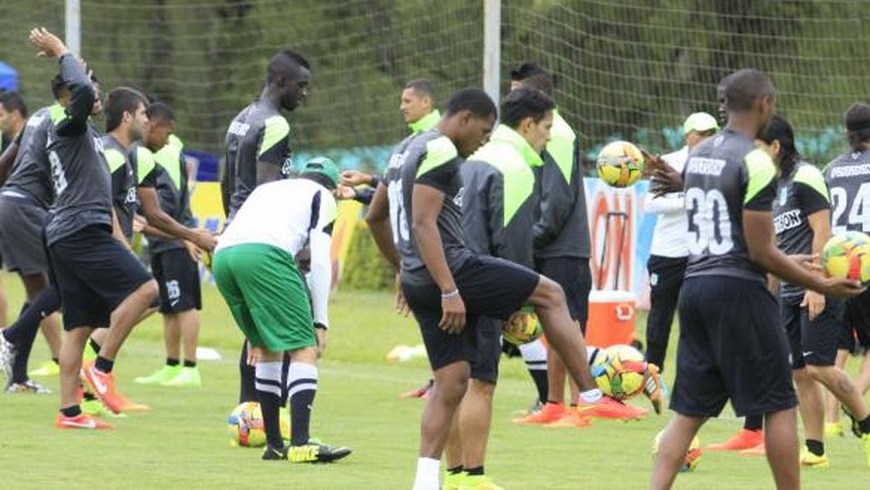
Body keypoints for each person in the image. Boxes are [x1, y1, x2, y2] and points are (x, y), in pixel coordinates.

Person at [367, 87, 641, 490]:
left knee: (451, 382)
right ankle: (589, 395)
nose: (484, 137)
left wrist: (405, 269)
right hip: (452, 271)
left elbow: (375, 216)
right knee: (551, 294)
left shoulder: (405, 148)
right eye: (483, 128)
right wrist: (446, 287)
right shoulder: (443, 149)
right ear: (463, 118)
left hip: (419, 277)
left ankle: (426, 483)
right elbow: (425, 223)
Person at [648, 69, 863, 490]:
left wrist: (793, 259)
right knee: (780, 404)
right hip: (740, 292)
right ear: (764, 104)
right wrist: (823, 285)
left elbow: (735, 229)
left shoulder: (701, 152)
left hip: (695, 287)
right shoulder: (756, 161)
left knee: (689, 412)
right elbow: (760, 252)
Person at [24, 27, 158, 429]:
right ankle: (101, 369)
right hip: (79, 229)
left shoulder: (83, 132)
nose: (96, 94)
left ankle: (70, 413)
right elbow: (80, 92)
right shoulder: (65, 120)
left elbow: (81, 90)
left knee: (78, 326)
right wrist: (63, 51)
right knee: (148, 289)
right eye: (89, 86)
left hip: (70, 231)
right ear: (68, 95)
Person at [441, 87, 554, 490]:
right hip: (481, 282)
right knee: (481, 383)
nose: (549, 136)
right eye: (546, 127)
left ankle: (454, 477)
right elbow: (512, 247)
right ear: (527, 125)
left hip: (445, 280)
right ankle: (474, 477)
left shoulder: (473, 159)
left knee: (451, 383)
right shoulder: (516, 168)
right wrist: (517, 303)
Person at [213, 157, 351, 463]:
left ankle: (274, 445)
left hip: (223, 257)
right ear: (332, 187)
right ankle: (301, 443)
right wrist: (320, 320)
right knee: (303, 347)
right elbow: (319, 260)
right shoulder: (324, 197)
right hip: (264, 255)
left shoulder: (271, 189)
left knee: (266, 348)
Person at [507, 63, 600, 425]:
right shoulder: (533, 133)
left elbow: (557, 198)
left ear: (538, 97)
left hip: (563, 245)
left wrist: (531, 238)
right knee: (552, 321)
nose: (512, 100)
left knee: (569, 322)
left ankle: (580, 405)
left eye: (518, 93)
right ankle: (554, 404)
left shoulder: (558, 134)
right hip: (545, 242)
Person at [222, 49, 310, 404]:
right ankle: (280, 416)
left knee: (257, 329)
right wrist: (291, 242)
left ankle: (249, 411)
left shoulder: (242, 118)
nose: (305, 94)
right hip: (264, 237)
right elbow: (267, 188)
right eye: (301, 86)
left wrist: (231, 223)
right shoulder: (275, 124)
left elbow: (226, 182)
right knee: (292, 324)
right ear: (280, 81)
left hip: (235, 232)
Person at [133, 102, 204, 388]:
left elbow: (170, 200)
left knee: (184, 304)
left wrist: (183, 236)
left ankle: (191, 367)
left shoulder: (167, 151)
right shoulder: (151, 150)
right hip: (161, 241)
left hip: (176, 241)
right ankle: (172, 365)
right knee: (169, 306)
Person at [643, 112, 718, 374]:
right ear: (687, 136)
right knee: (659, 317)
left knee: (697, 318)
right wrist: (690, 200)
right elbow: (650, 204)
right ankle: (652, 375)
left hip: (701, 253)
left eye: (711, 133)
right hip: (666, 252)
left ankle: (695, 376)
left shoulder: (720, 164)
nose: (707, 138)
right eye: (702, 133)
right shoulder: (669, 162)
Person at [0, 90, 61, 392]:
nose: (97, 98)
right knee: (62, 285)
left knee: (37, 291)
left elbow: (7, 159)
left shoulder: (37, 116)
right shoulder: (66, 121)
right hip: (26, 207)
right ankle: (8, 337)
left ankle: (18, 377)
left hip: (11, 203)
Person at [822, 102, 870, 465]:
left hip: (835, 265)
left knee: (837, 346)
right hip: (867, 261)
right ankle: (856, 405)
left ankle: (830, 421)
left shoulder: (831, 169)